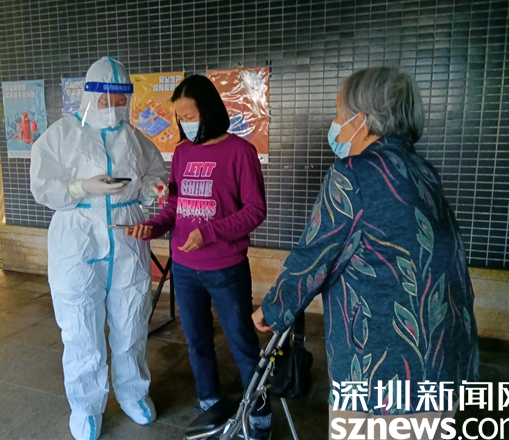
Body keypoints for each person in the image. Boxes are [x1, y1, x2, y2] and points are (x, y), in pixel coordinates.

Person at [252, 67, 479, 440]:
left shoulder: (353, 174)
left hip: (385, 368)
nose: (336, 127)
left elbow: (315, 256)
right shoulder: (423, 170)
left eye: (339, 115)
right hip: (445, 356)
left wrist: (273, 309)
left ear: (363, 120)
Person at [30, 57, 168, 440]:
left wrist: (153, 188)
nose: (115, 107)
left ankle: (133, 392)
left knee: (132, 319)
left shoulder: (136, 139)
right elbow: (42, 186)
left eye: (121, 99)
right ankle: (86, 407)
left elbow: (154, 175)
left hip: (126, 236)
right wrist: (80, 187)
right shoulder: (61, 135)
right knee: (80, 327)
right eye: (107, 99)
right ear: (90, 96)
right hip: (77, 239)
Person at [127, 75, 271, 439]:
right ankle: (209, 402)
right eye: (180, 117)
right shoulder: (182, 152)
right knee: (197, 341)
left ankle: (258, 412)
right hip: (185, 268)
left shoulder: (240, 152)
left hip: (226, 268)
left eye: (190, 115)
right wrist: (152, 227)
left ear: (209, 110)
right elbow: (174, 207)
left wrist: (209, 232)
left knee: (242, 340)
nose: (185, 123)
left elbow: (255, 210)